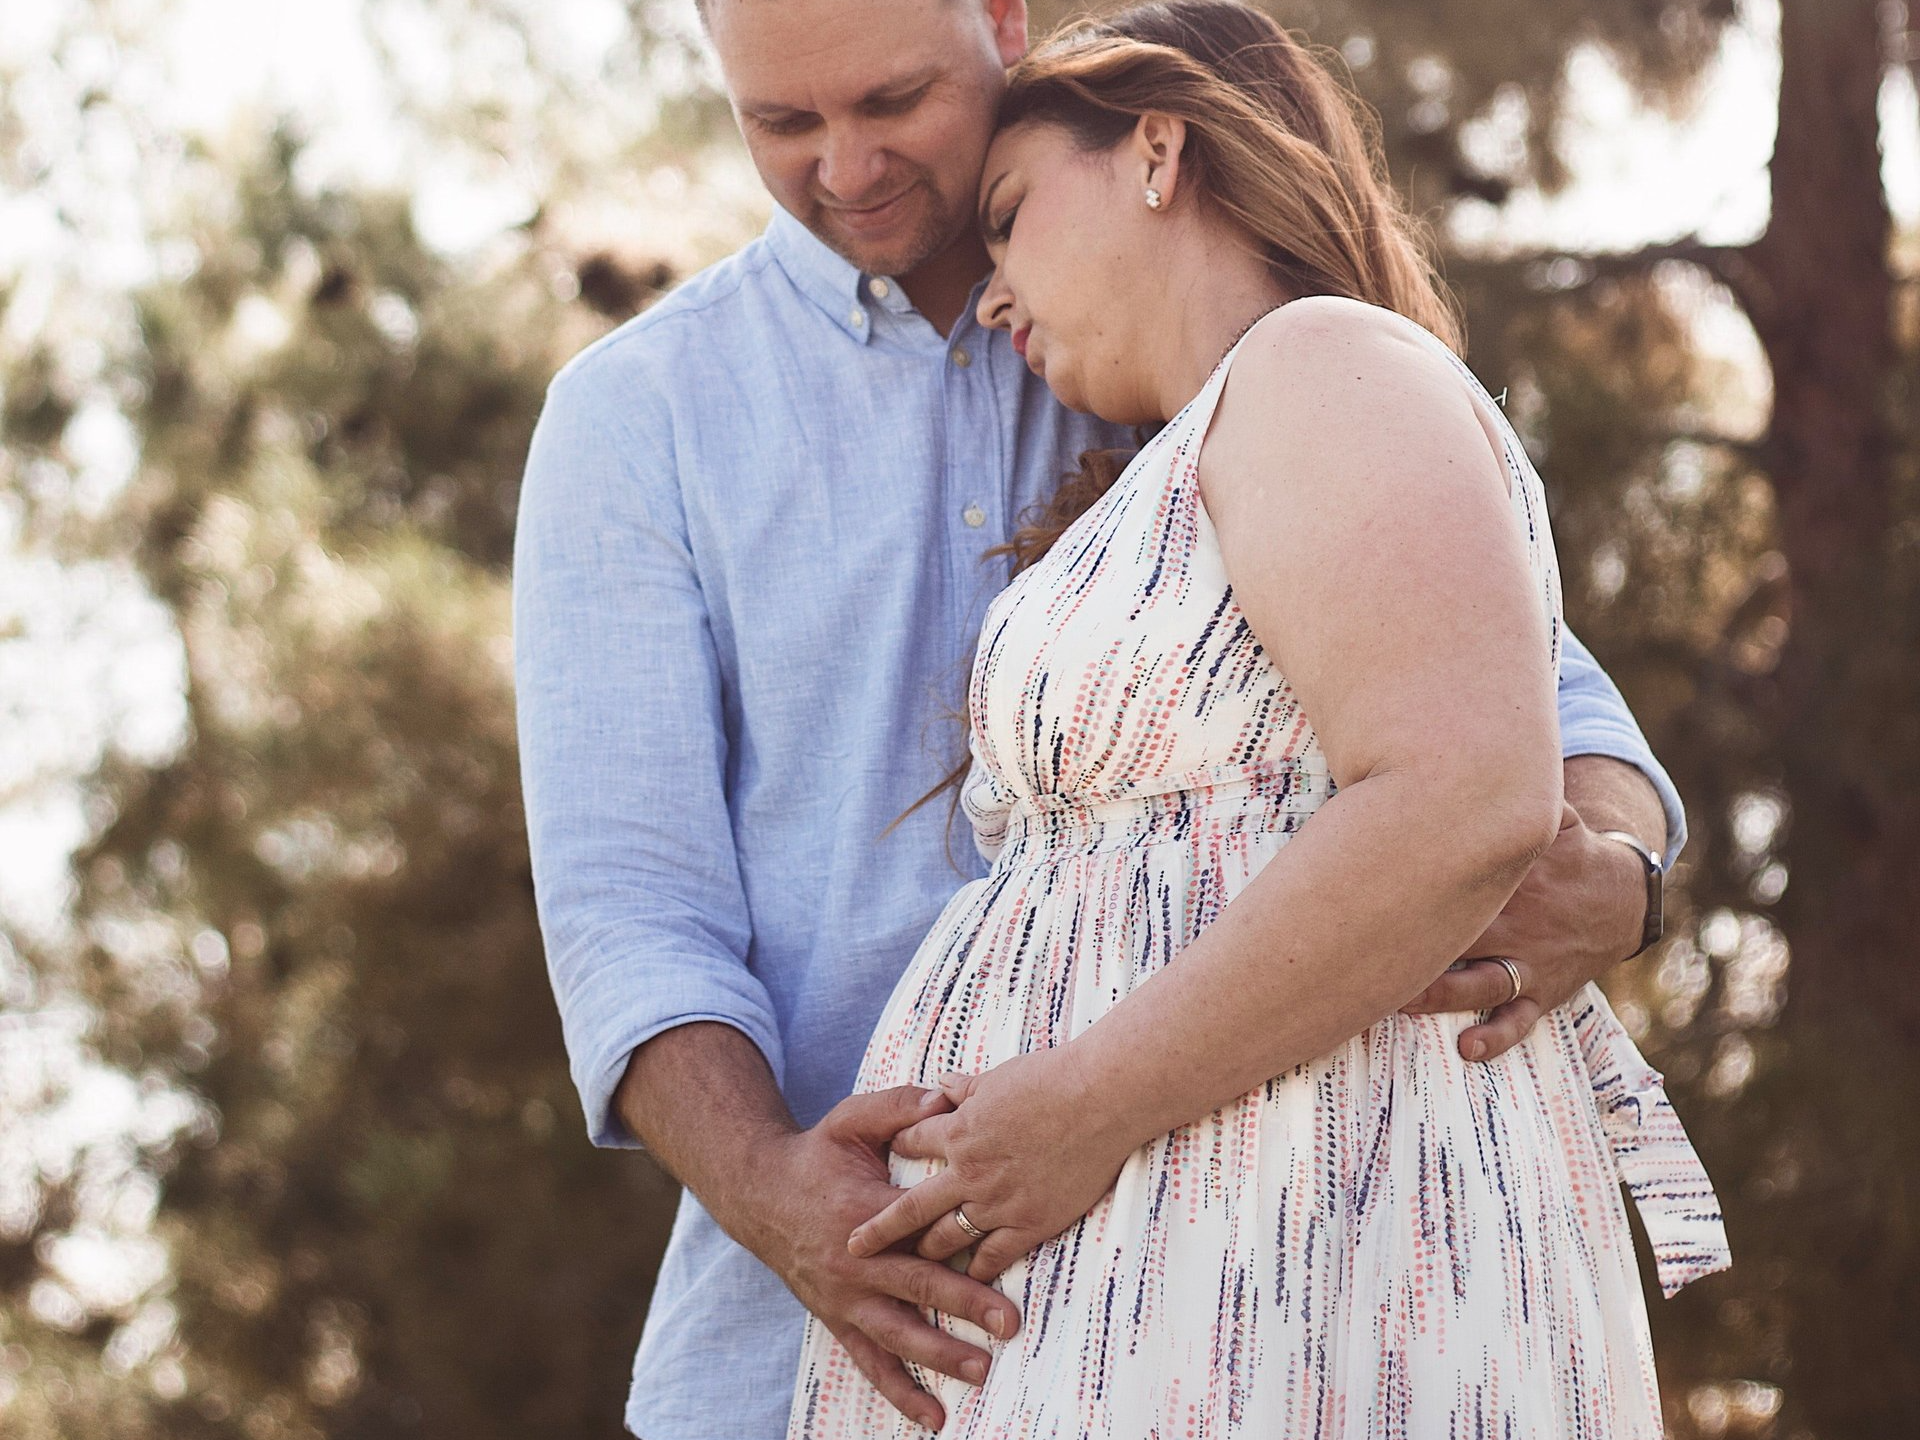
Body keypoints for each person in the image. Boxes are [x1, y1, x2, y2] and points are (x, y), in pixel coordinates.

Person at [510, 1, 1698, 1436]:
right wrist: (783, 1200)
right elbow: (630, 917)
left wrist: (1619, 882)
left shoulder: (1187, 333)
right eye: (784, 124)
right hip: (843, 1309)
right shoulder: (638, 419)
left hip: (1258, 1254)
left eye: (892, 100)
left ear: (1002, 25)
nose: (846, 165)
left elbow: (1534, 710)